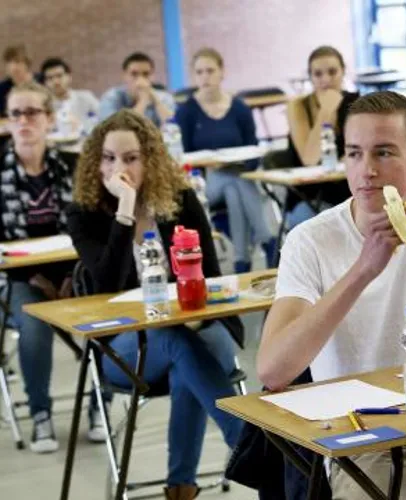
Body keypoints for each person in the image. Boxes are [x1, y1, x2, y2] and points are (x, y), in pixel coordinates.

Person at [257, 91, 406, 499]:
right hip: (368, 439)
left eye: (384, 153)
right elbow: (273, 370)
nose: (366, 170)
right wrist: (365, 267)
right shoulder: (311, 241)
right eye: (354, 154)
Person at [67, 109, 244, 500]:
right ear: (96, 162)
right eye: (109, 158)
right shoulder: (82, 213)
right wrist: (125, 208)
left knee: (200, 348)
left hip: (191, 328)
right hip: (124, 345)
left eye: (131, 158)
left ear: (149, 158)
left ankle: (181, 485)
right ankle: (249, 443)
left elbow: (210, 276)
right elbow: (106, 284)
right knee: (178, 342)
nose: (119, 168)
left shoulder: (179, 200)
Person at [0, 82, 78, 453]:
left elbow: (87, 231)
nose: (23, 121)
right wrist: (35, 277)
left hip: (73, 275)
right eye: (16, 114)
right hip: (19, 277)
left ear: (49, 119)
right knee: (33, 324)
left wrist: (67, 278)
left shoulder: (72, 168)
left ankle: (99, 404)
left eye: (32, 113)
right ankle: (40, 413)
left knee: (112, 314)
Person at [175, 47, 276, 273]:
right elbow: (184, 159)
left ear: (222, 73)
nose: (205, 77)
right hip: (203, 185)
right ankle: (267, 239)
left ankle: (241, 260)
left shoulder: (239, 108)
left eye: (210, 71)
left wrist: (238, 163)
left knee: (233, 188)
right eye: (199, 72)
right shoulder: (186, 112)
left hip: (238, 178)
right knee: (234, 181)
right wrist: (212, 164)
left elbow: (253, 151)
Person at [285, 45, 358, 228]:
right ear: (310, 77)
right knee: (317, 222)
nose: (326, 79)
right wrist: (326, 110)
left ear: (343, 72)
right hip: (309, 194)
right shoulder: (298, 106)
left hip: (348, 190)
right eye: (318, 74)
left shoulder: (356, 103)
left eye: (332, 72)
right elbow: (310, 158)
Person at [99, 52, 175, 127]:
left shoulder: (165, 97)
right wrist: (143, 101)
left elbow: (173, 127)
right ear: (124, 75)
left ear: (153, 76)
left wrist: (156, 101)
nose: (140, 79)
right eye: (134, 74)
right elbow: (117, 131)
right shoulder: (111, 98)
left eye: (146, 74)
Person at [40, 57, 99, 127]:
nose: (56, 82)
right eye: (50, 78)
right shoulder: (44, 105)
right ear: (45, 83)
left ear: (69, 77)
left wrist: (82, 125)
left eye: (59, 76)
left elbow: (103, 119)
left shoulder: (86, 98)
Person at [0, 45, 37, 117]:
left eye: (17, 62)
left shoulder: (41, 81)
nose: (13, 67)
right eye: (9, 63)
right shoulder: (2, 89)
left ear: (27, 63)